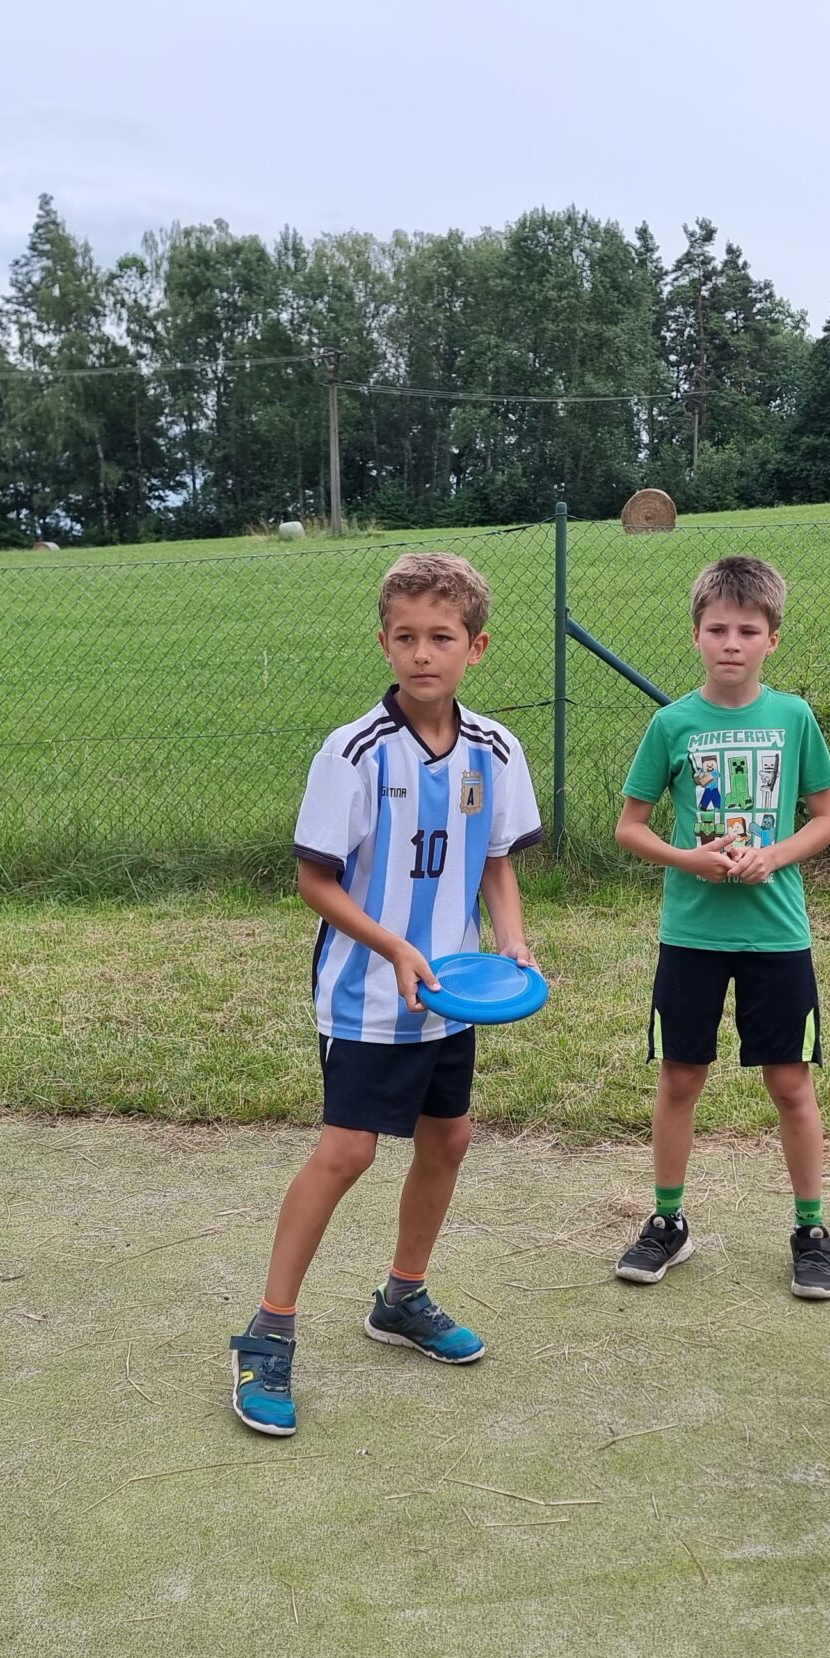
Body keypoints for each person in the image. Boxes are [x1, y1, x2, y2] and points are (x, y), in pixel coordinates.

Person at [230, 552, 542, 1438]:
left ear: (477, 647)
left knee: (449, 1136)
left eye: (441, 637)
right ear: (384, 644)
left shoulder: (495, 748)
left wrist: (511, 939)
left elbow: (496, 862)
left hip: (453, 994)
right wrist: (395, 947)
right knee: (348, 1153)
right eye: (405, 637)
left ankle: (402, 1298)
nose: (422, 653)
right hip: (366, 994)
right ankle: (268, 1332)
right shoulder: (354, 751)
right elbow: (315, 881)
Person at [610, 555, 830, 1298]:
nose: (732, 643)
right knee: (680, 1077)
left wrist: (773, 856)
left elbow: (828, 820)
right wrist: (690, 859)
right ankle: (667, 1221)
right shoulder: (672, 723)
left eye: (748, 630)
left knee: (790, 1082)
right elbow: (630, 827)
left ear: (772, 638)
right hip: (692, 936)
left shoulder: (794, 717)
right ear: (696, 635)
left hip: (778, 936)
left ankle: (811, 1229)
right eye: (718, 629)